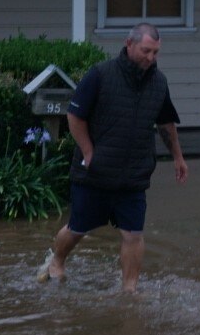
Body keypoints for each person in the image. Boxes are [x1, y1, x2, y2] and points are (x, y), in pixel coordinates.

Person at [37, 22, 188, 292]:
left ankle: (130, 290)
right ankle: (57, 260)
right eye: (146, 51)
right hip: (95, 173)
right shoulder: (100, 75)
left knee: (133, 234)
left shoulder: (159, 83)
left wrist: (178, 157)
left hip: (134, 175)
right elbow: (75, 116)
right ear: (129, 44)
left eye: (155, 52)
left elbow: (166, 123)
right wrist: (88, 151)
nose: (151, 58)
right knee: (77, 228)